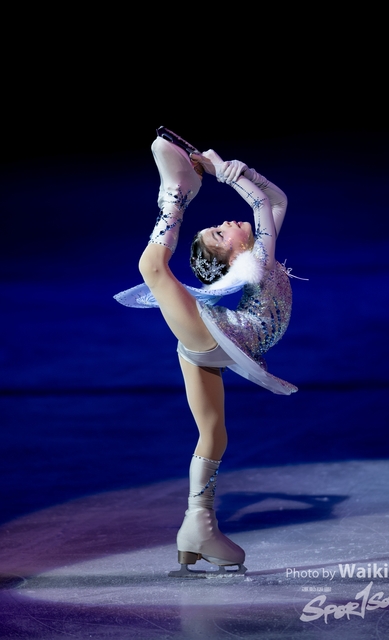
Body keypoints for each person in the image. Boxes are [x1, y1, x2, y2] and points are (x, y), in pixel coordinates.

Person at [114, 129, 299, 577]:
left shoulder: (256, 258)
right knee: (152, 268)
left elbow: (277, 201)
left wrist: (240, 170)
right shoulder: (257, 260)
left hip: (217, 346)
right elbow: (260, 204)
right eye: (219, 232)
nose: (226, 224)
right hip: (224, 337)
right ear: (231, 254)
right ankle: (176, 195)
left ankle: (198, 527)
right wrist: (221, 173)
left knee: (213, 433)